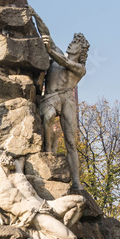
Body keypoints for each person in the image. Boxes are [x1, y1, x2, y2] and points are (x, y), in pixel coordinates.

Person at [39, 31, 90, 191]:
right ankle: (48, 152)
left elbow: (66, 63)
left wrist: (50, 52)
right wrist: (34, 15)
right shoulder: (57, 54)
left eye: (74, 43)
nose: (70, 44)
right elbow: (46, 32)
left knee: (71, 142)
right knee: (47, 117)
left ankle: (76, 181)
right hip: (51, 97)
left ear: (80, 51)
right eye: (71, 41)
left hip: (67, 98)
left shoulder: (80, 68)